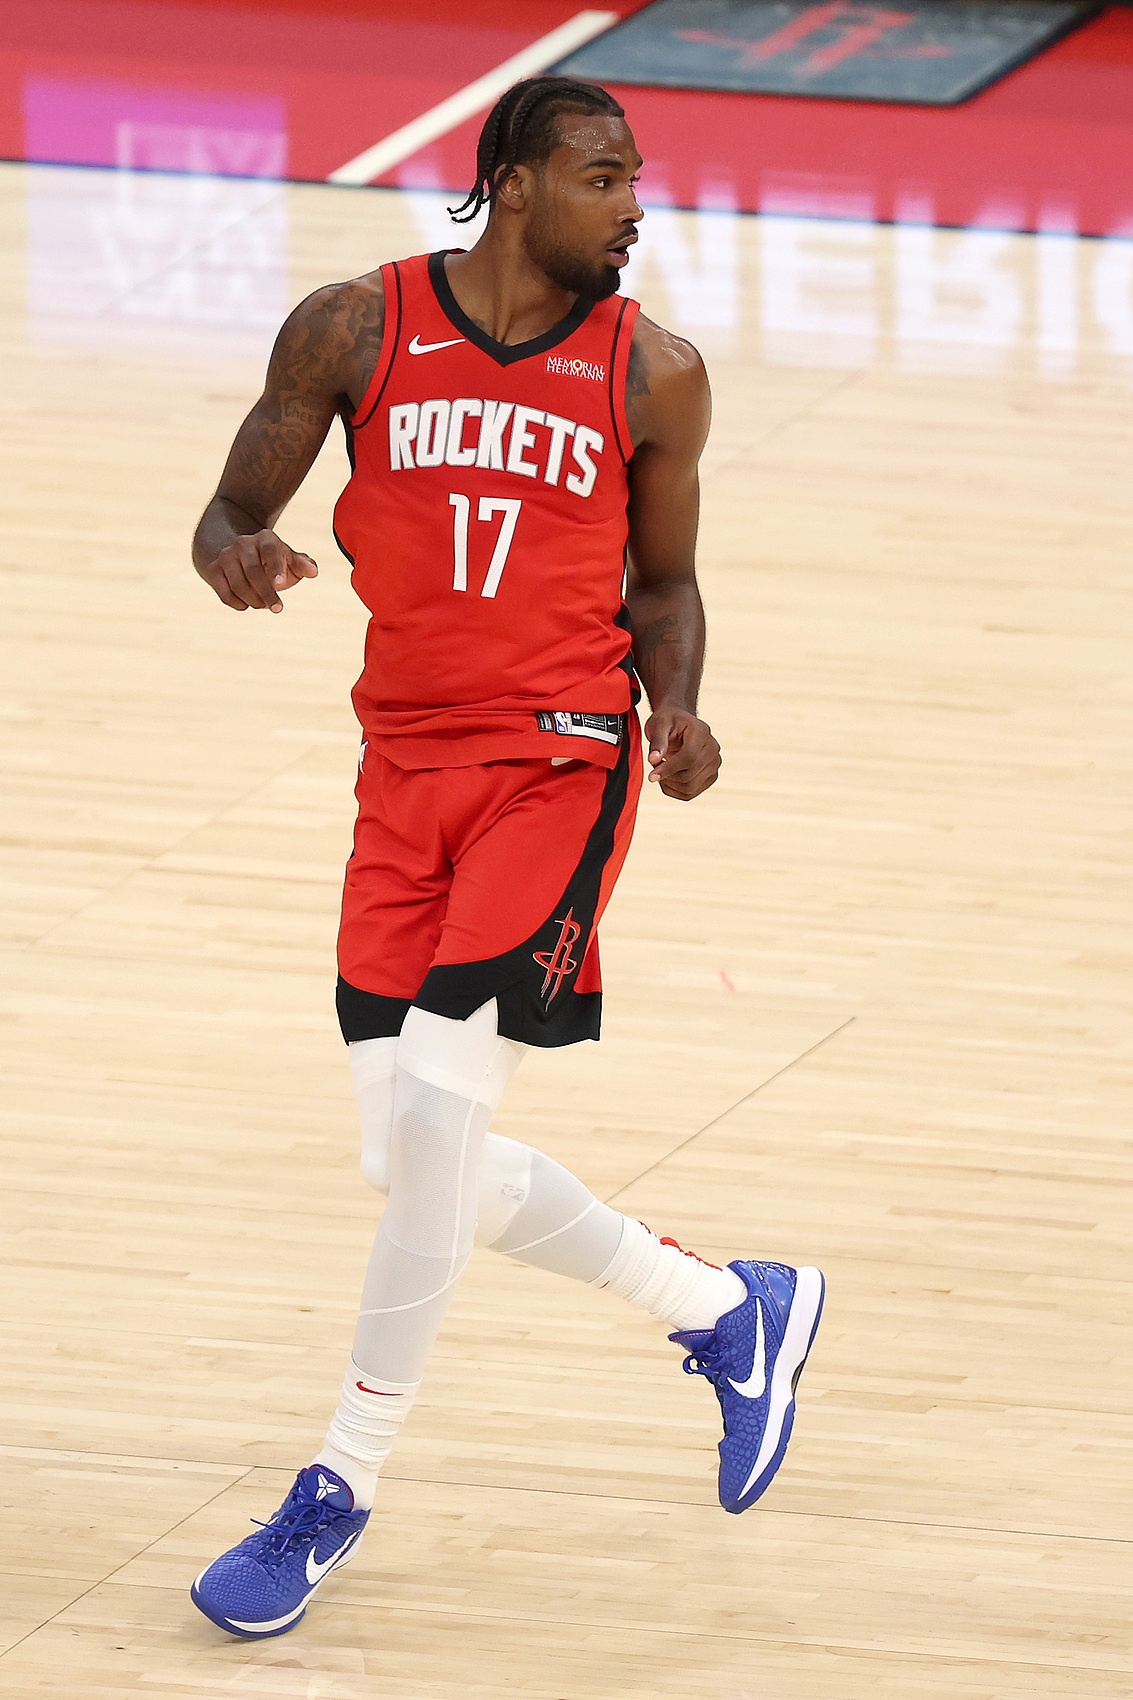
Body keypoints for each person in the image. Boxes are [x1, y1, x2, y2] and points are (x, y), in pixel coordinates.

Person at [188, 75, 824, 1642]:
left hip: (558, 766)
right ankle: (724, 1307)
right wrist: (240, 554)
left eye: (635, 179)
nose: (634, 206)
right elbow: (228, 509)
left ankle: (337, 1481)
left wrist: (675, 707)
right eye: (604, 178)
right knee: (408, 1160)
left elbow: (662, 586)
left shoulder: (654, 371)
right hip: (399, 771)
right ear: (516, 183)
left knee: (435, 1118)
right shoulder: (352, 328)